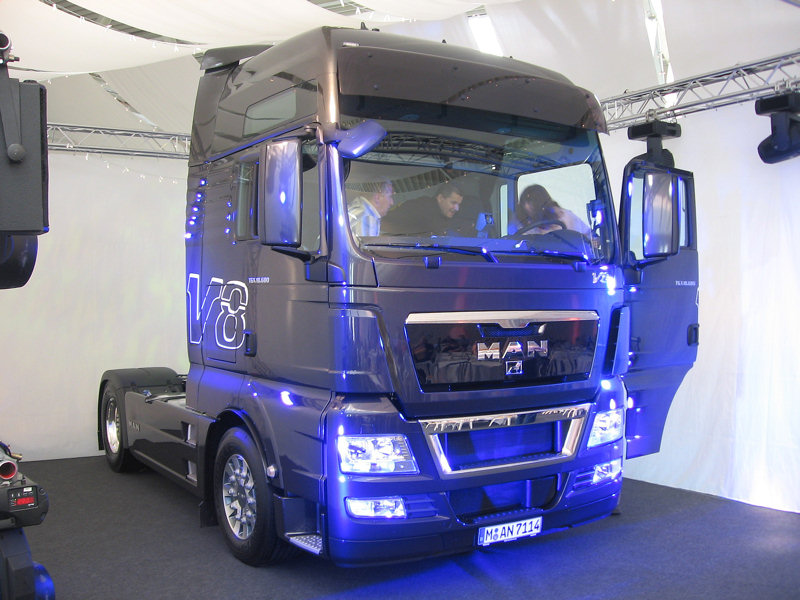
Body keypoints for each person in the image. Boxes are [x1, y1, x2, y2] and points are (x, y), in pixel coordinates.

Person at [381, 182, 464, 236]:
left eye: (459, 204)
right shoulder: (419, 208)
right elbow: (385, 223)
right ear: (440, 198)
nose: (457, 208)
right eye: (453, 203)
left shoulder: (452, 217)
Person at [512, 184, 590, 236]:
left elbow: (588, 235)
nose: (528, 207)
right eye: (524, 203)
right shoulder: (521, 220)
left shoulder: (565, 216)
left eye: (532, 205)